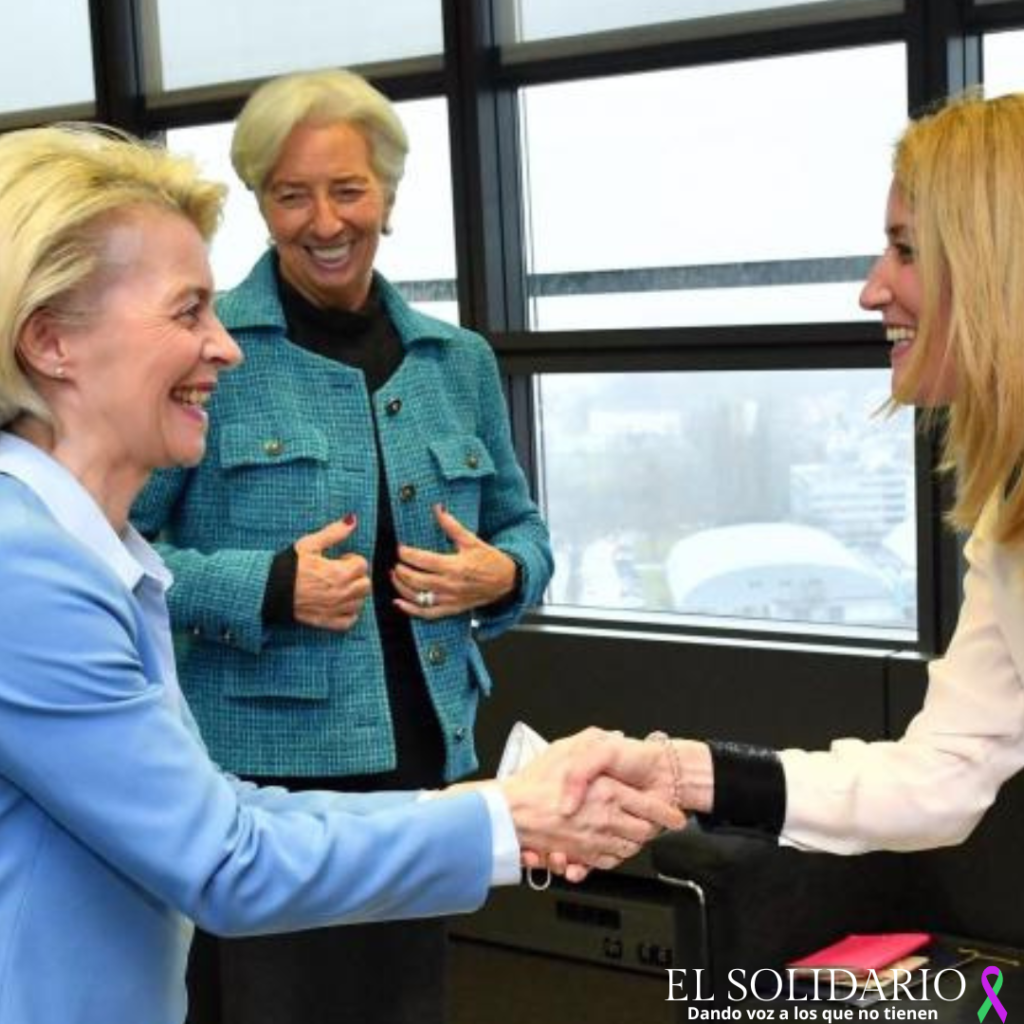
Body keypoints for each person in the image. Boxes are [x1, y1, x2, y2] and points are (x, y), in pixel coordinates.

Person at [0, 122, 685, 1024]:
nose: (225, 346)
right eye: (186, 311)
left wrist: (493, 803)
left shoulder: (70, 548)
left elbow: (223, 814)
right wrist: (510, 823)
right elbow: (224, 859)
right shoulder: (27, 574)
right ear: (51, 343)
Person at [130, 68, 555, 1024]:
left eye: (348, 190)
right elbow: (118, 547)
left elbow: (523, 528)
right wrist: (269, 585)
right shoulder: (210, 353)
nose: (325, 220)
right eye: (292, 194)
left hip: (425, 771)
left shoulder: (459, 361)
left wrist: (504, 573)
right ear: (259, 203)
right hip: (259, 782)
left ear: (390, 198)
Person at [579, 90, 1024, 856]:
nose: (872, 288)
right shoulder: (1007, 512)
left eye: (906, 251)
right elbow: (941, 773)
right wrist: (683, 774)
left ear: (990, 261)